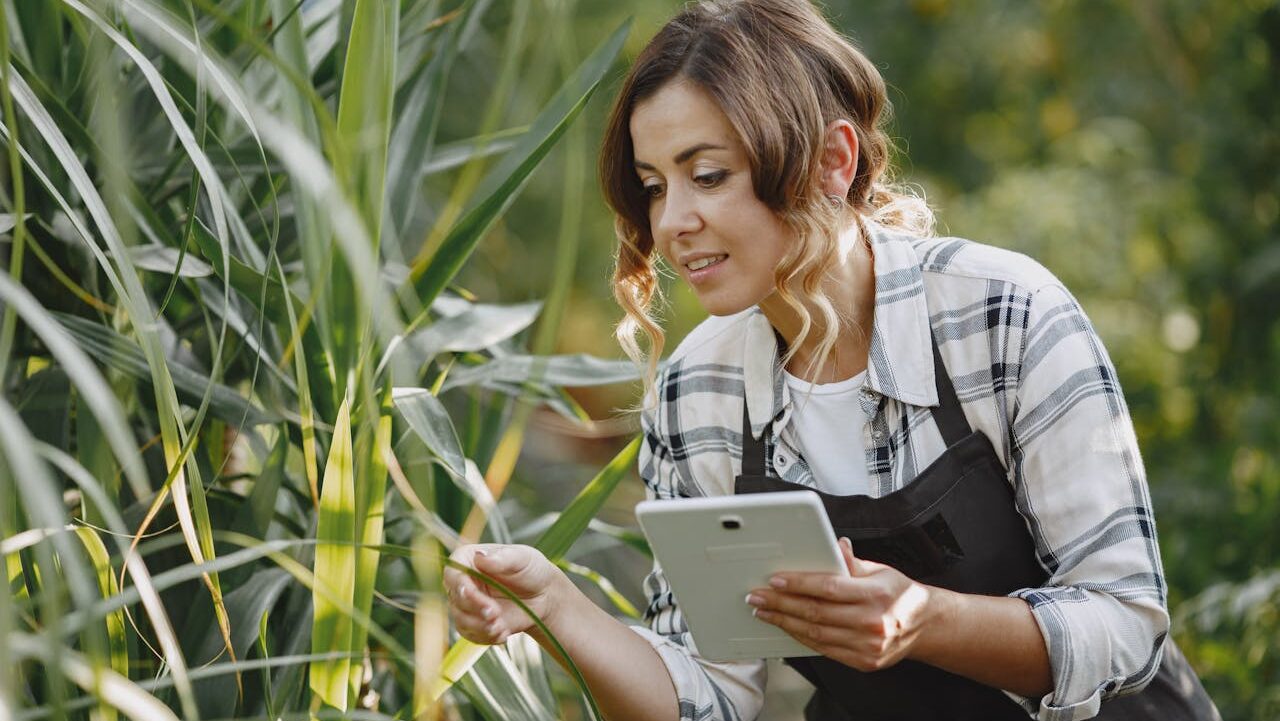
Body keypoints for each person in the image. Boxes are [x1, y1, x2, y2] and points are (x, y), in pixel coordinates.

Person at [443, 1, 1220, 719]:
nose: (674, 222)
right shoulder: (695, 393)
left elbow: (1126, 621)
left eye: (708, 174)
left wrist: (923, 619)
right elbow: (710, 695)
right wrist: (557, 611)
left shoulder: (1004, 313)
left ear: (829, 162)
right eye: (654, 187)